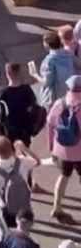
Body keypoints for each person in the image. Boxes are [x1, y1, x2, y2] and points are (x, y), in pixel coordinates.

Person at [0, 137, 40, 228]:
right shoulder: (22, 161)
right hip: (24, 207)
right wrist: (24, 148)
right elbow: (37, 161)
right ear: (11, 148)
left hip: (7, 210)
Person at [47, 75, 81, 221]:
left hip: (62, 150)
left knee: (63, 176)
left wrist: (51, 147)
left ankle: (57, 206)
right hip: (80, 152)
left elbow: (49, 124)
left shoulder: (60, 103)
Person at [29, 31, 75, 109]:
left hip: (54, 99)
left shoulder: (49, 61)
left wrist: (34, 74)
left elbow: (47, 83)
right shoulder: (68, 54)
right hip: (68, 95)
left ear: (47, 45)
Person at [0, 63, 38, 147]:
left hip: (9, 128)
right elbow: (34, 104)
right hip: (25, 126)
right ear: (19, 72)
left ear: (7, 74)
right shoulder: (27, 89)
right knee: (25, 150)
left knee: (11, 150)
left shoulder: (3, 92)